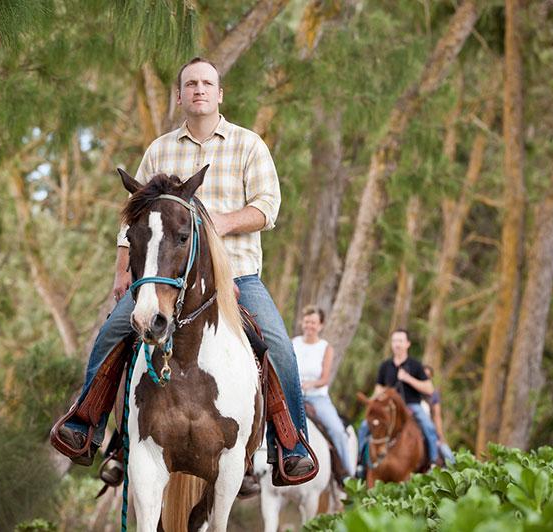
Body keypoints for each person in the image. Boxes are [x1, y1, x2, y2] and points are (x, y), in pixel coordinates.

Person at [55, 57, 314, 490]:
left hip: (237, 277)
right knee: (113, 332)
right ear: (179, 96)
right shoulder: (159, 149)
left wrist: (214, 224)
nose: (199, 90)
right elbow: (133, 217)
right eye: (190, 84)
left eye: (207, 84)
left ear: (219, 94)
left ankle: (287, 445)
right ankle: (92, 428)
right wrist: (123, 272)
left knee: (280, 348)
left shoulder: (248, 144)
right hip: (164, 279)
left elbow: (267, 207)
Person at [356, 329, 439, 471]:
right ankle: (360, 462)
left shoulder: (415, 365)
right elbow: (378, 388)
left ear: (407, 344)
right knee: (365, 426)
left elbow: (429, 389)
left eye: (400, 341)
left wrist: (408, 379)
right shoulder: (385, 366)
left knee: (429, 427)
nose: (397, 344)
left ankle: (433, 462)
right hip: (388, 407)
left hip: (411, 405)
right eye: (394, 341)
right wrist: (376, 398)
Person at [293, 305, 354, 477]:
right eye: (306, 322)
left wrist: (310, 384)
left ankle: (348, 474)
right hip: (294, 396)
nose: (309, 326)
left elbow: (325, 378)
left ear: (320, 325)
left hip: (317, 398)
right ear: (301, 323)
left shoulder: (325, 347)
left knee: (338, 431)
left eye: (313, 322)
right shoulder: (294, 343)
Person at [421, 365, 455, 465]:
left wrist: (440, 436)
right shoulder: (413, 394)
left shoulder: (434, 395)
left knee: (448, 455)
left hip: (430, 430)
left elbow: (437, 416)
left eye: (428, 377)